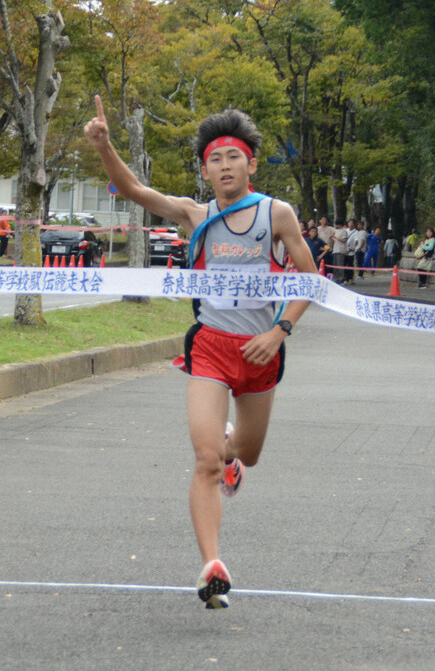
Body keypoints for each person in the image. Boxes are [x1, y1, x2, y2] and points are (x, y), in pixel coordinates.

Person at [84, 96, 317, 610]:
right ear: (206, 169)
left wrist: (279, 331)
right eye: (216, 158)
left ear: (251, 163)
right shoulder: (196, 213)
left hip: (261, 352)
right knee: (205, 459)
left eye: (235, 156)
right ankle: (212, 565)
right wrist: (104, 148)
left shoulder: (276, 214)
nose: (226, 165)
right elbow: (133, 190)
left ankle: (236, 456)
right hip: (209, 347)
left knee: (244, 454)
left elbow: (310, 279)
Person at [331, 218, 347, 284]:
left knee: (340, 265)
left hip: (341, 250)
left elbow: (344, 240)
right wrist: (332, 238)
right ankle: (335, 277)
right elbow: (335, 240)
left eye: (338, 224)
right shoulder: (336, 231)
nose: (337, 226)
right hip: (335, 249)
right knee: (335, 265)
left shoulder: (344, 231)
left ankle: (341, 278)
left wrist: (336, 237)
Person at [344, 218, 357, 283]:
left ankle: (350, 277)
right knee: (344, 264)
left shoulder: (356, 232)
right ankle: (345, 278)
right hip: (344, 250)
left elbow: (356, 241)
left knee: (350, 265)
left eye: (352, 223)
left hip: (351, 251)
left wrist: (352, 248)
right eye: (349, 223)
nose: (350, 224)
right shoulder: (345, 230)